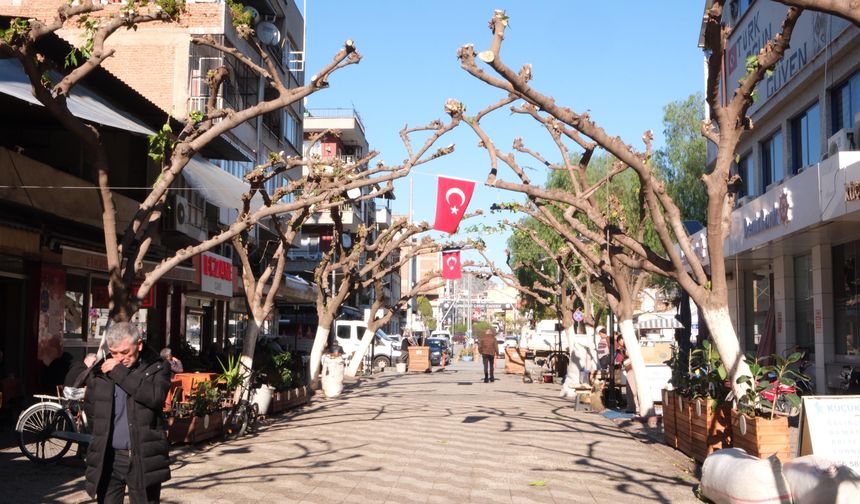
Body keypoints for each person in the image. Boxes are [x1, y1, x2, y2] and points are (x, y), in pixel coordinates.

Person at [84, 322, 171, 503]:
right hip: (109, 458)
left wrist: (119, 372)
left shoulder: (156, 366)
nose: (119, 358)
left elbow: (155, 397)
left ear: (139, 344)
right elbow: (92, 411)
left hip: (143, 457)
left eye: (125, 352)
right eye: (114, 353)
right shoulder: (101, 372)